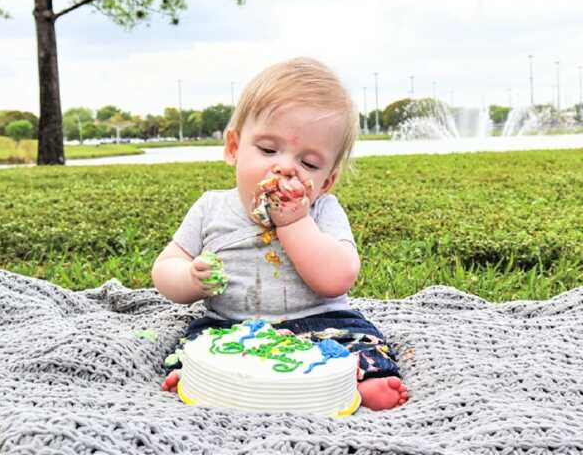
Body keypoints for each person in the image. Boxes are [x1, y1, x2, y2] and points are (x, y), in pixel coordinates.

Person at [152, 57, 409, 411]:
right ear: (233, 149)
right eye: (268, 150)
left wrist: (294, 222)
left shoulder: (323, 211)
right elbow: (166, 267)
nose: (285, 166)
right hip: (230, 326)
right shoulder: (211, 207)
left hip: (322, 324)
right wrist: (190, 279)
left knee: (362, 342)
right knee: (195, 345)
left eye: (309, 164)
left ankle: (354, 382)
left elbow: (338, 278)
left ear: (327, 181)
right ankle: (202, 380)